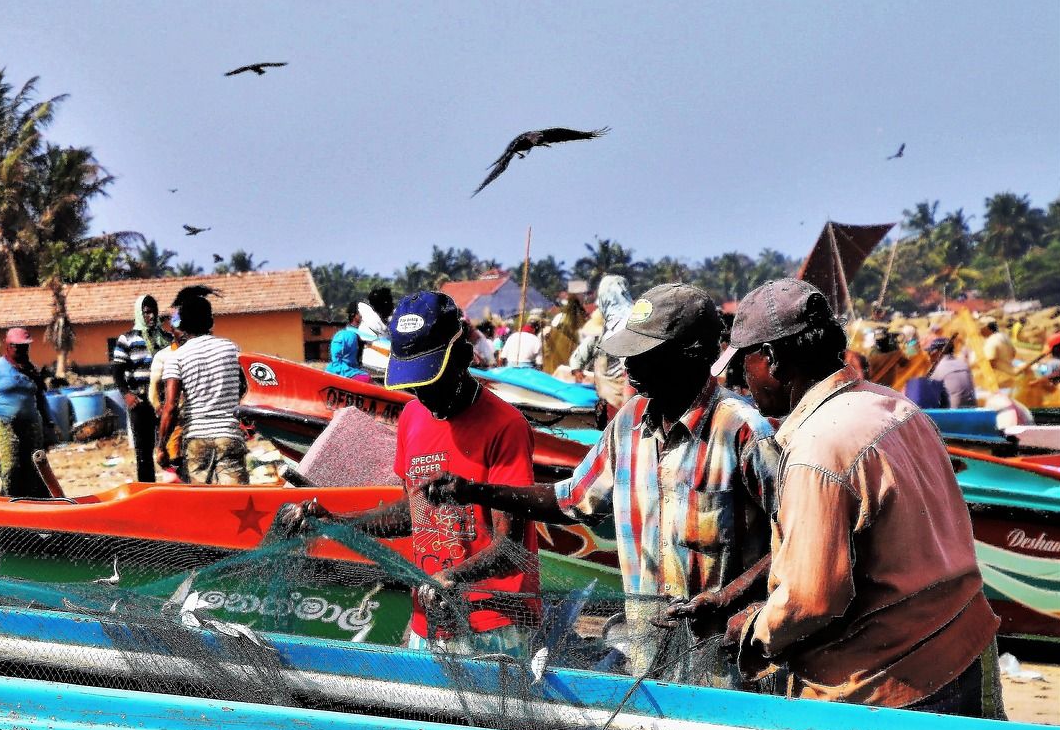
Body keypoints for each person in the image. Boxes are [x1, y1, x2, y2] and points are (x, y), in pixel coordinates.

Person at [423, 283, 779, 684]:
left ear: (692, 356)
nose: (629, 364)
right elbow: (568, 500)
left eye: (646, 353)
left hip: (727, 666)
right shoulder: (628, 423)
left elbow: (797, 543)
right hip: (649, 663)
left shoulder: (743, 432)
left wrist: (725, 599)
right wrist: (474, 491)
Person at [722, 280, 1001, 715]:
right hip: (965, 640)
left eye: (745, 363)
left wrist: (755, 626)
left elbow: (812, 600)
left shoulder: (816, 450)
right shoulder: (893, 405)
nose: (739, 379)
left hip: (893, 684)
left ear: (773, 360)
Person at [293, 292, 540, 654]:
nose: (422, 393)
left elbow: (510, 548)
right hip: (432, 618)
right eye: (415, 383)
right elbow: (416, 511)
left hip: (495, 624)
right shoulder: (412, 418)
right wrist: (337, 522)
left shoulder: (506, 427)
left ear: (462, 356)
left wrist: (454, 577)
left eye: (432, 380)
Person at [159, 285, 249, 485]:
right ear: (211, 321)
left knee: (204, 503)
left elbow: (171, 407)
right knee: (239, 502)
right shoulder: (231, 348)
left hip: (197, 439)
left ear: (183, 323)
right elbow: (245, 390)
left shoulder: (176, 357)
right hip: (229, 434)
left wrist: (161, 446)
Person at [0, 327, 53, 498]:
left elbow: (41, 398)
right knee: (10, 467)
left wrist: (50, 423)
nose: (21, 350)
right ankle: (11, 500)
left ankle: (36, 503)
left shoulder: (32, 369)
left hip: (32, 426)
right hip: (6, 425)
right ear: (8, 346)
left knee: (35, 465)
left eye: (24, 346)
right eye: (16, 346)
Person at [110, 293, 167, 482]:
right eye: (146, 312)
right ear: (139, 314)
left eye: (154, 312)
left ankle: (175, 488)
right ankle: (147, 487)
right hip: (140, 402)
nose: (151, 316)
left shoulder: (165, 339)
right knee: (143, 449)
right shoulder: (126, 339)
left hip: (163, 401)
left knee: (169, 445)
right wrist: (126, 394)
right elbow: (118, 371)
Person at [147, 308, 189, 481]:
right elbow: (153, 388)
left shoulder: (195, 352)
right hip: (175, 415)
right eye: (180, 328)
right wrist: (159, 408)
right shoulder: (164, 356)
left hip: (196, 416)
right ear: (172, 330)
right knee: (175, 456)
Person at [325, 305, 374, 381]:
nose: (361, 316)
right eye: (359, 314)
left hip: (342, 369)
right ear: (354, 315)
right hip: (346, 371)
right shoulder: (349, 335)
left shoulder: (344, 334)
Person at [927, 336, 976, 408]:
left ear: (937, 352)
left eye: (930, 353)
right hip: (972, 412)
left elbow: (928, 398)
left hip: (952, 416)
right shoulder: (963, 364)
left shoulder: (938, 369)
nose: (929, 358)